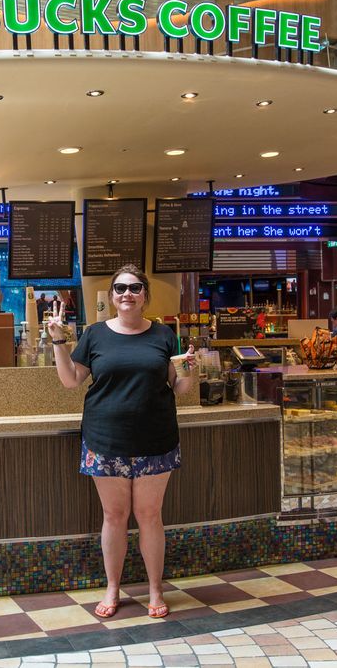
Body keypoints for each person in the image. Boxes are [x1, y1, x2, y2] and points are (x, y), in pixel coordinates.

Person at [47, 264, 196, 620]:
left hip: (155, 438)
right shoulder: (95, 334)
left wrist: (191, 368)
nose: (127, 293)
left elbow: (179, 388)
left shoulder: (164, 335)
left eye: (134, 288)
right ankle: (112, 588)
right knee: (114, 516)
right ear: (112, 296)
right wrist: (58, 341)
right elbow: (71, 381)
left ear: (145, 295)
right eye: (120, 288)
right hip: (105, 438)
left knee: (150, 515)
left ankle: (156, 589)